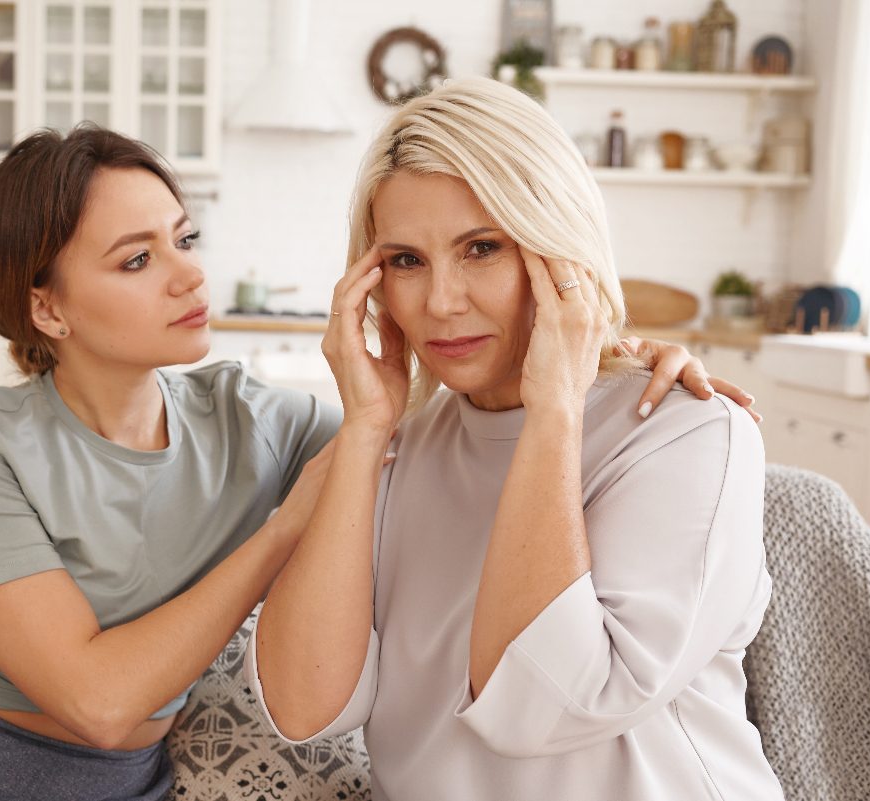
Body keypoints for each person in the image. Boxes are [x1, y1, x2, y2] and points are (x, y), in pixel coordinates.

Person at [0, 124, 756, 800]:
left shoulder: (258, 419)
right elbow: (103, 705)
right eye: (136, 258)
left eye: (184, 238)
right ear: (47, 308)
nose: (192, 272)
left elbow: (427, 449)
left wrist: (611, 361)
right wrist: (284, 528)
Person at [248, 77, 784, 801]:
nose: (441, 301)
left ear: (559, 248)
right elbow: (304, 706)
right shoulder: (395, 451)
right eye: (406, 260)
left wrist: (556, 408)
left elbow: (540, 706)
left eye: (482, 247)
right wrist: (369, 428)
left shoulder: (689, 434)